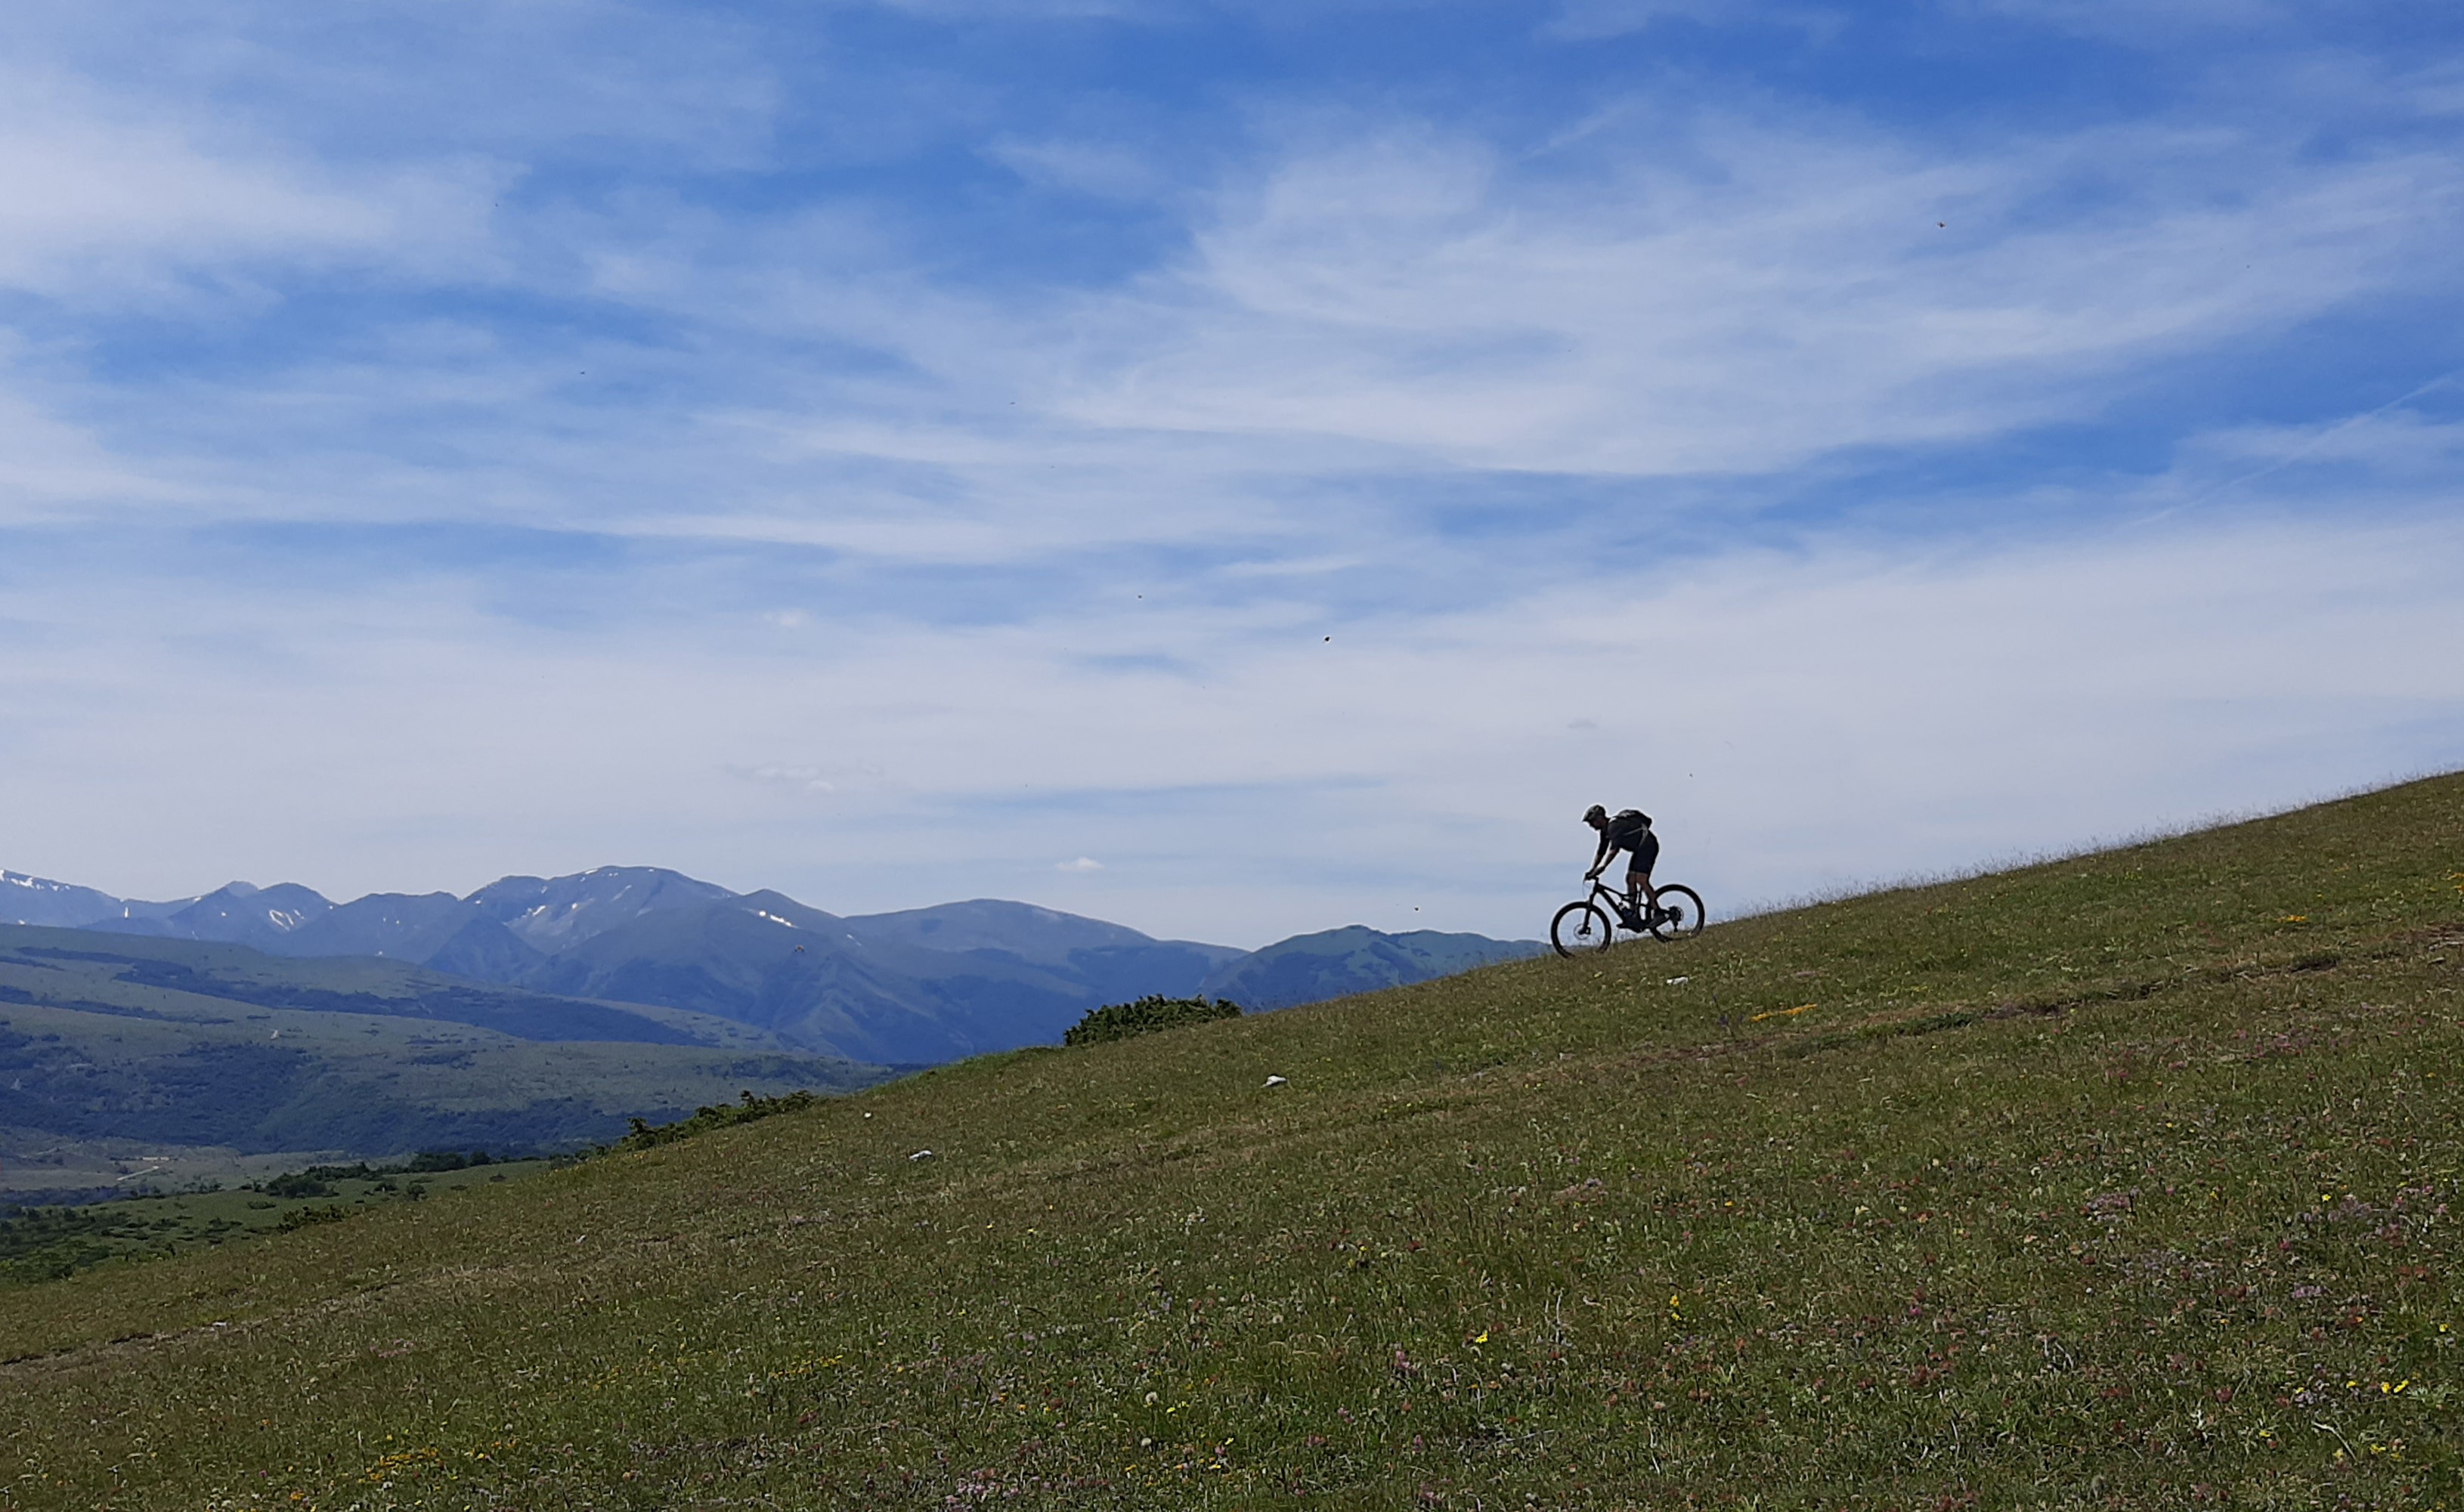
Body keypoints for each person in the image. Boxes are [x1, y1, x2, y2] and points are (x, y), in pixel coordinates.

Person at [1582, 803, 1660, 923]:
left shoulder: (1614, 826)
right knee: (1630, 879)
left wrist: (1602, 867)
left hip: (1648, 846)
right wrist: (1592, 869)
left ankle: (1658, 911)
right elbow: (1601, 852)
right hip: (1639, 850)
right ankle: (1634, 913)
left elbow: (1614, 851)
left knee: (1641, 879)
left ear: (1599, 819)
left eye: (1591, 822)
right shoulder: (1605, 832)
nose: (1591, 826)